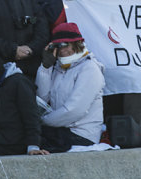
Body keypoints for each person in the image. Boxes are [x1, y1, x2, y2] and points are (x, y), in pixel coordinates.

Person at [35, 23, 105, 152]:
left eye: (65, 44)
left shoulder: (89, 68)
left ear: (76, 44)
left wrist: (42, 121)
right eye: (57, 46)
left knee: (32, 138)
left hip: (81, 135)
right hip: (59, 130)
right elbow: (43, 97)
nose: (61, 50)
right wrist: (46, 67)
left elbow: (74, 110)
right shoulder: (59, 68)